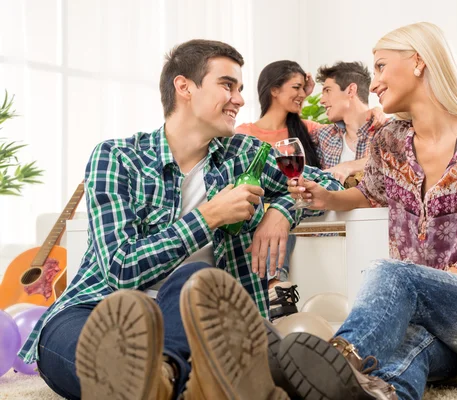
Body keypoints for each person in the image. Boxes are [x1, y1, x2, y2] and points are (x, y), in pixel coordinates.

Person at [16, 39, 342, 400]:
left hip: (200, 320)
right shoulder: (119, 157)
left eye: (240, 88)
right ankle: (179, 382)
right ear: (185, 87)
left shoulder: (244, 154)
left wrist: (282, 211)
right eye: (227, 85)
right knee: (104, 362)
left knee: (198, 282)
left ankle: (165, 377)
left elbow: (322, 183)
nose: (239, 99)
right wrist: (208, 216)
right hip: (98, 306)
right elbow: (120, 267)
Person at [281, 22, 457, 399]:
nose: (373, 83)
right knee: (406, 347)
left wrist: (419, 292)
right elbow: (370, 192)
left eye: (380, 66)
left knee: (393, 276)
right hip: (442, 322)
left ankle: (337, 360)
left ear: (418, 62)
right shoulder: (388, 141)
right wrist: (326, 198)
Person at [236, 60, 385, 321]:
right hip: (263, 210)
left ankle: (274, 287)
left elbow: (376, 144)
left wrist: (376, 112)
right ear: (274, 90)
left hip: (320, 214)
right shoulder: (244, 136)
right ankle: (270, 290)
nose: (306, 95)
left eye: (323, 91)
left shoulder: (309, 131)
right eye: (296, 87)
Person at [313, 61, 381, 185]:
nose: (322, 100)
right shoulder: (323, 135)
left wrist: (348, 167)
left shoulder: (388, 131)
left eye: (327, 91)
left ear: (350, 90)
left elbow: (391, 160)